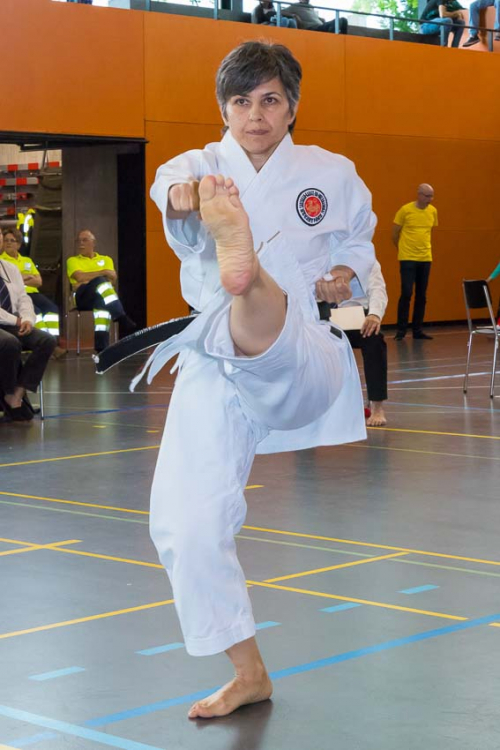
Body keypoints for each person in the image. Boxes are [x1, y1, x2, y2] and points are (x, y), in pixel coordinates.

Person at [147, 41, 376, 720]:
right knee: (183, 527)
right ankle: (249, 674)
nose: (256, 115)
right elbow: (170, 188)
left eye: (271, 100)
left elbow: (359, 258)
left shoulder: (331, 172)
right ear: (224, 109)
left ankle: (245, 273)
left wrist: (347, 282)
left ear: (293, 107)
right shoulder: (197, 167)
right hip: (213, 361)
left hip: (304, 352)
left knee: (257, 299)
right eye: (242, 101)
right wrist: (185, 201)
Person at [318, 260, 388, 426]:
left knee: (374, 341)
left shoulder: (367, 260)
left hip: (360, 317)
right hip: (330, 316)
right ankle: (321, 407)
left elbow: (378, 290)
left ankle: (377, 406)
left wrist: (374, 315)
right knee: (311, 346)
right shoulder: (322, 258)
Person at [0, 232, 56, 422]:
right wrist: (15, 321)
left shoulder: (10, 268)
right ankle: (7, 392)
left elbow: (23, 298)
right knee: (10, 342)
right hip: (8, 323)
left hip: (13, 322)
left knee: (47, 340)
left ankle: (17, 393)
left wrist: (27, 319)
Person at [66, 230, 135, 352]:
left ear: (93, 243)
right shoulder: (72, 260)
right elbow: (79, 277)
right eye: (78, 241)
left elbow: (112, 280)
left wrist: (89, 279)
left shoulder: (106, 259)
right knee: (101, 281)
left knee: (101, 303)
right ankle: (121, 316)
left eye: (84, 240)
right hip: (82, 297)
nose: (80, 243)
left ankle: (101, 347)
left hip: (99, 296)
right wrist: (103, 272)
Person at [1, 228, 66, 358]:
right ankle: (48, 348)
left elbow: (38, 281)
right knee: (37, 313)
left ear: (19, 244)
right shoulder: (4, 259)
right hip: (13, 307)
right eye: (6, 240)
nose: (8, 243)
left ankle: (54, 342)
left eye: (12, 241)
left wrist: (27, 319)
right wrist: (27, 277)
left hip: (31, 294)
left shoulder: (24, 262)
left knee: (52, 309)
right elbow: (25, 280)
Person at [393, 184, 437, 341]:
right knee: (406, 293)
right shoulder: (405, 210)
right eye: (427, 196)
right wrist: (402, 250)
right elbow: (395, 234)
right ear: (419, 194)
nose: (430, 199)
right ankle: (401, 330)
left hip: (425, 258)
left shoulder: (433, 211)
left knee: (421, 295)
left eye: (431, 196)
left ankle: (417, 330)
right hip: (407, 258)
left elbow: (429, 232)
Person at [281, 0, 347, 32]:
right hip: (312, 28)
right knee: (340, 21)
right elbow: (280, 11)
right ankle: (332, 36)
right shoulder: (295, 6)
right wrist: (293, 15)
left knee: (343, 20)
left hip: (320, 25)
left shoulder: (311, 7)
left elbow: (311, 17)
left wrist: (319, 18)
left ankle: (342, 37)